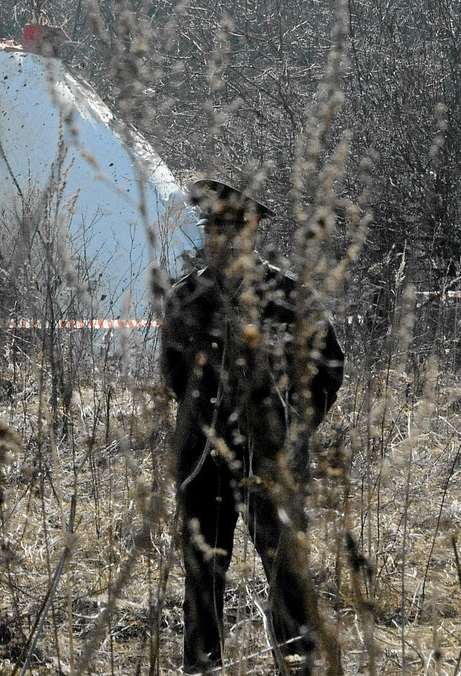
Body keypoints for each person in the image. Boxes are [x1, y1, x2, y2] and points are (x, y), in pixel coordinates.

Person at [160, 179, 345, 674]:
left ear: (253, 232)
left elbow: (328, 366)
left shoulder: (287, 296)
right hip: (202, 458)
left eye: (230, 229)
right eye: (211, 229)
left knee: (286, 574)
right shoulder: (186, 298)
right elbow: (174, 374)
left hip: (271, 460)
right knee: (203, 576)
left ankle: (296, 666)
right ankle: (203, 668)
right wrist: (207, 419)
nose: (219, 239)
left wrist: (291, 425)